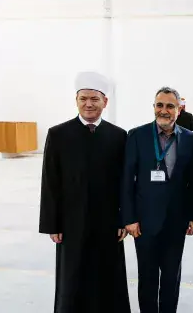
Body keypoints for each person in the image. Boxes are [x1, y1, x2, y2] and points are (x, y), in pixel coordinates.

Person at [39, 71, 131, 313]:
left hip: (108, 222)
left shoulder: (118, 136)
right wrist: (52, 224)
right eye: (83, 98)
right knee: (72, 278)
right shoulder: (58, 134)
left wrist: (124, 218)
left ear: (105, 102)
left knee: (107, 277)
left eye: (94, 99)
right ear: (76, 101)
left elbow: (124, 182)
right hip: (71, 223)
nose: (88, 104)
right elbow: (50, 181)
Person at [121, 86, 193, 313]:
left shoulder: (189, 138)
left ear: (179, 109)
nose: (164, 110)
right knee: (147, 277)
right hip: (144, 222)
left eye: (170, 106)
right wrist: (129, 217)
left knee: (172, 278)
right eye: (159, 105)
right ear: (154, 107)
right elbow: (127, 179)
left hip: (176, 221)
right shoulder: (137, 135)